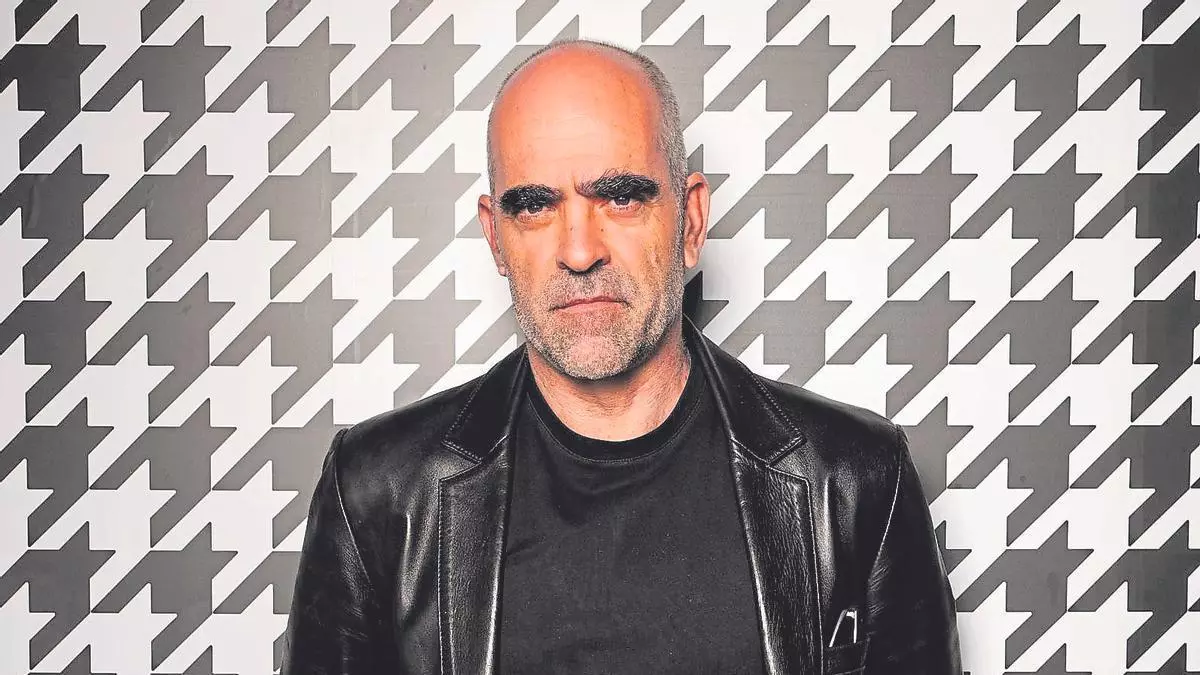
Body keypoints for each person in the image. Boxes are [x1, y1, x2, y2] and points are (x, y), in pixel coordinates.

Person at [281, 38, 961, 674]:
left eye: (621, 196)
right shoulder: (377, 494)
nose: (580, 251)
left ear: (691, 220)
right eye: (535, 206)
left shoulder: (854, 480)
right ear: (495, 237)